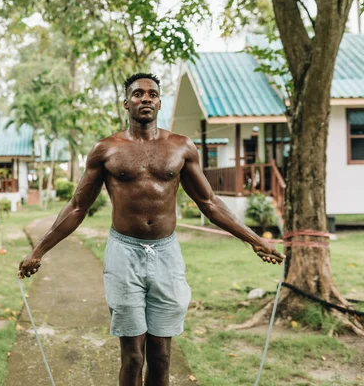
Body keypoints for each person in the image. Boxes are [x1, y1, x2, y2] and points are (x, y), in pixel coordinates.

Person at [18, 72, 285, 386]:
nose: (145, 98)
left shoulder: (181, 147)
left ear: (159, 103)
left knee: (161, 355)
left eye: (152, 94)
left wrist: (254, 241)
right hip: (123, 254)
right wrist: (38, 251)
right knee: (132, 355)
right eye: (138, 94)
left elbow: (209, 203)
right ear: (126, 103)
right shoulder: (106, 149)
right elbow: (78, 207)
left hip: (166, 255)